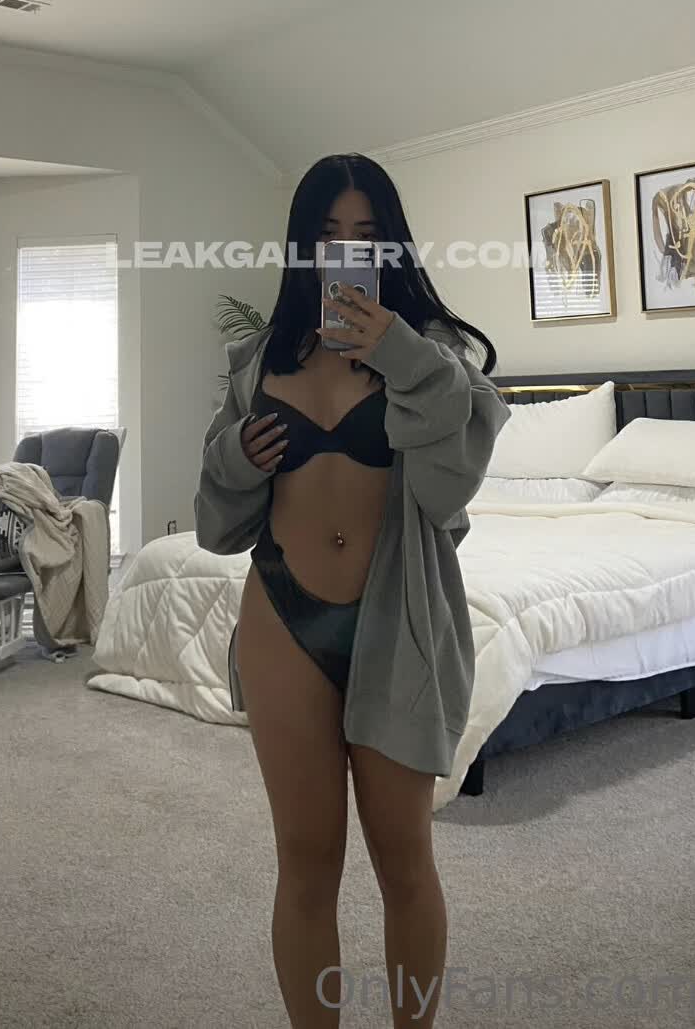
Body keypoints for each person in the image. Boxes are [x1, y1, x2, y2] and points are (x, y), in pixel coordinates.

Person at [195, 153, 510, 1028]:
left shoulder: (433, 355)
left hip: (396, 620)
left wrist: (397, 350)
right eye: (328, 234)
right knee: (304, 863)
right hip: (282, 616)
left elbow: (448, 488)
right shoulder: (260, 359)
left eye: (366, 235)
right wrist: (235, 458)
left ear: (391, 246)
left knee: (404, 861)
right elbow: (217, 522)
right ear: (303, 245)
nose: (346, 251)